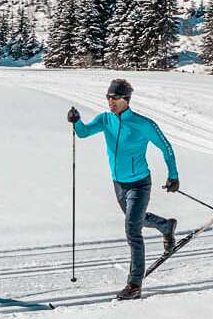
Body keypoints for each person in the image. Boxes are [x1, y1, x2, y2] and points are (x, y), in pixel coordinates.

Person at [69, 78, 182, 300]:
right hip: (118, 183)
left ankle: (134, 284)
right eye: (108, 97)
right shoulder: (105, 119)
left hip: (139, 183)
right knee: (136, 219)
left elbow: (166, 147)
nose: (110, 101)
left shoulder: (143, 124)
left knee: (132, 230)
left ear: (126, 100)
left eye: (115, 98)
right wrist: (76, 121)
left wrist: (173, 175)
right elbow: (83, 133)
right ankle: (166, 225)